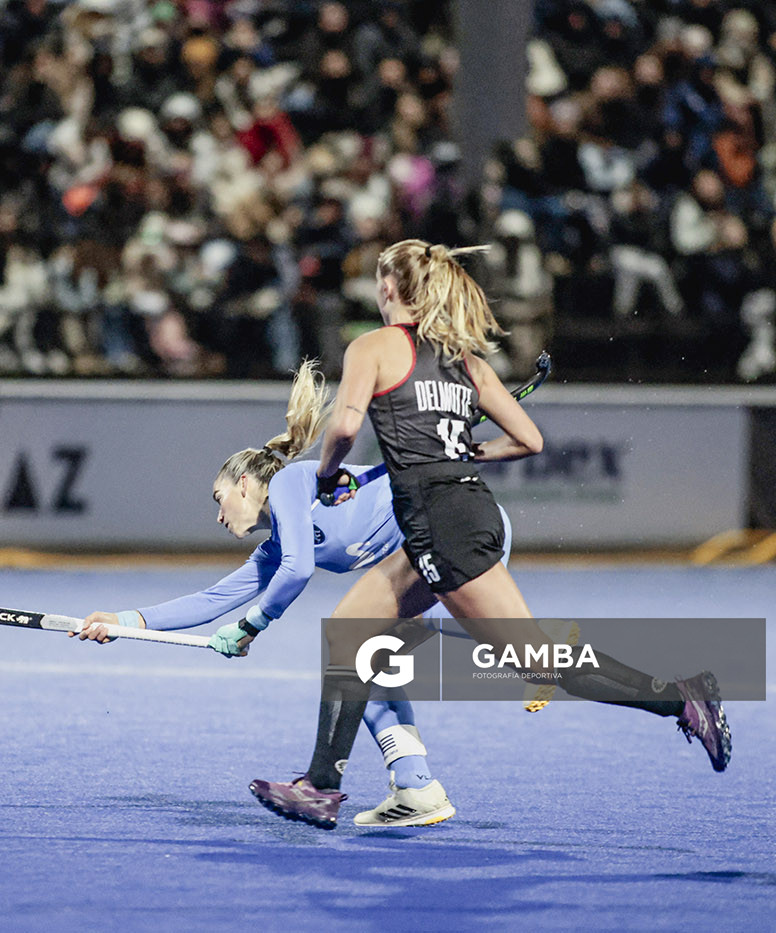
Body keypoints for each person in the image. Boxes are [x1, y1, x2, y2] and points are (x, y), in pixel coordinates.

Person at [248, 240, 730, 829]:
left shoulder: (371, 347)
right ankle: (320, 784)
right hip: (455, 512)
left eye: (378, 281)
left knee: (538, 661)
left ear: (389, 287)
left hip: (441, 525)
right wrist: (474, 450)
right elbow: (530, 440)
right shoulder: (465, 359)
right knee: (350, 632)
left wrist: (324, 477)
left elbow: (345, 426)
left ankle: (682, 697)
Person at [75, 360, 516, 827]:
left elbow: (299, 569)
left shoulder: (291, 482)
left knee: (377, 651)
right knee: (373, 663)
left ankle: (538, 657)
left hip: (457, 535)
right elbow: (212, 600)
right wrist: (125, 621)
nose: (219, 515)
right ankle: (417, 785)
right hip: (423, 559)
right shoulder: (277, 544)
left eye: (218, 497)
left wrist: (252, 625)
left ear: (244, 483)